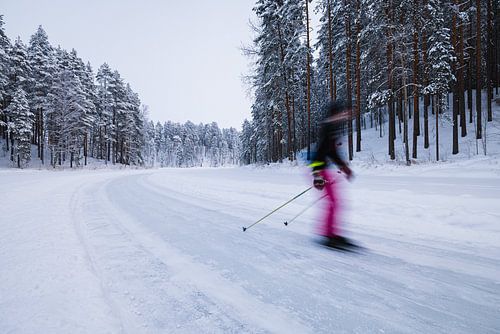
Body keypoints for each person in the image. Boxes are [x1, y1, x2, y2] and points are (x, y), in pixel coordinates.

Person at [309, 101, 354, 248]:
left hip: (325, 170)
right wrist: (317, 175)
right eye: (343, 113)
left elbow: (332, 152)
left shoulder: (332, 128)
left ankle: (332, 234)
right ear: (335, 114)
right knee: (333, 203)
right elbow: (319, 153)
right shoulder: (327, 128)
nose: (346, 115)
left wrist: (343, 167)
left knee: (335, 202)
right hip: (320, 170)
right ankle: (328, 235)